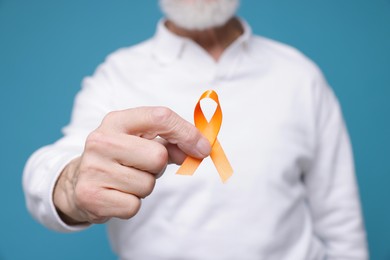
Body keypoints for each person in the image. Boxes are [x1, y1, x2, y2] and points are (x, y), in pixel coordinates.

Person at [23, 0, 368, 259]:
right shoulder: (116, 76)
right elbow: (58, 162)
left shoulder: (300, 76)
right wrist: (70, 182)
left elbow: (342, 226)